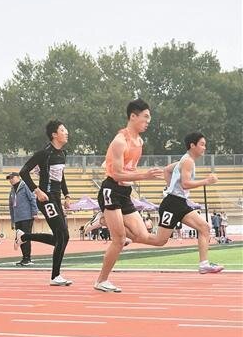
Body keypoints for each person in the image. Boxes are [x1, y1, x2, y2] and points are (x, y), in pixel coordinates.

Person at [93, 99, 168, 293]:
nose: (148, 121)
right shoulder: (120, 141)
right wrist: (144, 176)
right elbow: (117, 174)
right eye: (145, 116)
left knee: (143, 236)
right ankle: (101, 280)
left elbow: (128, 169)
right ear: (133, 116)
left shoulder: (139, 141)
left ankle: (109, 223)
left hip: (125, 192)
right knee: (118, 240)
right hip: (111, 190)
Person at [148, 133, 223, 274]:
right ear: (192, 145)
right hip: (172, 204)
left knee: (204, 228)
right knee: (159, 241)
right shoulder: (188, 161)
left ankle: (204, 264)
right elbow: (186, 184)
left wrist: (171, 189)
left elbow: (167, 170)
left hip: (178, 202)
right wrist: (206, 181)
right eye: (202, 144)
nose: (204, 148)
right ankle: (128, 235)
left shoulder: (185, 160)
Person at [15, 120, 74, 286]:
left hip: (56, 197)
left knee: (62, 238)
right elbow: (23, 172)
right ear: (54, 134)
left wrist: (67, 195)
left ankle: (24, 236)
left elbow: (61, 176)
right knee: (62, 235)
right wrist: (37, 190)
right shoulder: (44, 153)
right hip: (46, 198)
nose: (66, 132)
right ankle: (55, 276)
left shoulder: (63, 153)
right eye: (63, 130)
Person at [7, 171, 38, 265]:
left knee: (25, 237)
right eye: (9, 179)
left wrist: (35, 213)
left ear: (18, 177)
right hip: (18, 218)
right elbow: (11, 206)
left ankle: (27, 258)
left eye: (12, 178)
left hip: (26, 217)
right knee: (20, 239)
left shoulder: (25, 186)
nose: (10, 180)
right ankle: (24, 257)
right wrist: (12, 220)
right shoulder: (12, 190)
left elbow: (32, 199)